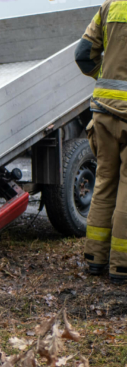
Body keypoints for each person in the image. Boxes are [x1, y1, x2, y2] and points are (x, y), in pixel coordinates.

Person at [75, 0, 127, 284]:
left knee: (105, 179)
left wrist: (105, 77)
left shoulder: (111, 6)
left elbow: (83, 54)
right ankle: (121, 266)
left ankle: (95, 259)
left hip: (104, 111)